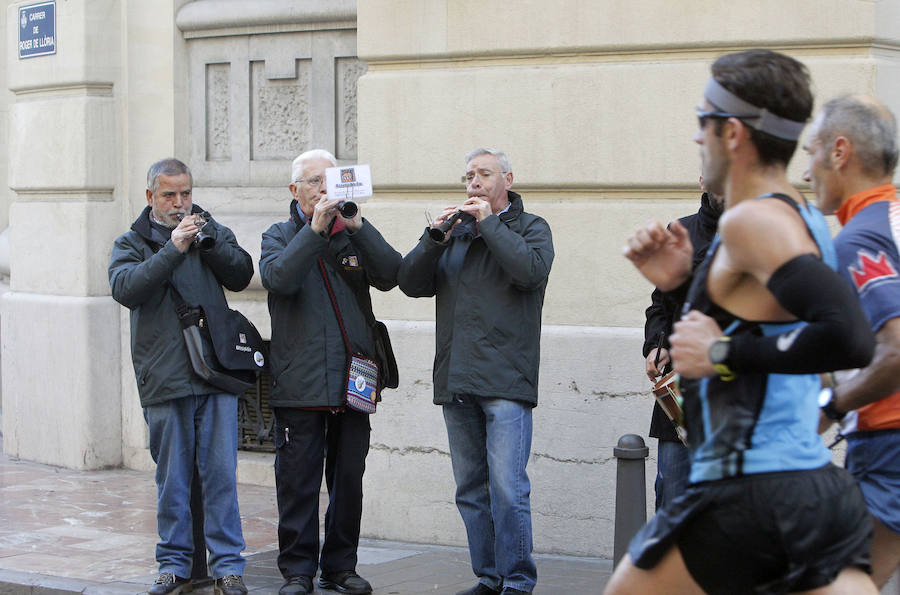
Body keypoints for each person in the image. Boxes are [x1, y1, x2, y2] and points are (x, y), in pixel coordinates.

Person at [609, 49, 879, 594]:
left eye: (701, 121)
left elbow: (849, 337)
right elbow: (763, 323)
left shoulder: (754, 221)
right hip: (811, 489)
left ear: (732, 133)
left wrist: (721, 356)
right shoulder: (799, 213)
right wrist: (684, 283)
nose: (696, 138)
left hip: (750, 492)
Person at [398, 148, 554, 595]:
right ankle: (489, 577)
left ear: (508, 178)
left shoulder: (531, 228)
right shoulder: (454, 234)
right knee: (470, 489)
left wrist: (488, 223)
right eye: (469, 175)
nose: (474, 183)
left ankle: (518, 581)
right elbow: (410, 283)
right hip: (457, 379)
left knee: (508, 490)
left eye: (484, 174)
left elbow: (528, 272)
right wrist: (433, 238)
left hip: (506, 380)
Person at [259, 149, 401, 595]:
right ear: (295, 190)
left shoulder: (351, 235)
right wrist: (316, 232)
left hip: (352, 380)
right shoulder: (279, 235)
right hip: (300, 382)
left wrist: (359, 228)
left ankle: (339, 566)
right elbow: (279, 278)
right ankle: (298, 571)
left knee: (348, 482)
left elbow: (393, 274)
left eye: (332, 181)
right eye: (315, 181)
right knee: (298, 483)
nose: (325, 189)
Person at [108, 158, 252, 595]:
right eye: (169, 195)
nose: (180, 203)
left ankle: (228, 568)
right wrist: (172, 249)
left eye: (185, 193)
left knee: (221, 476)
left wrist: (209, 244)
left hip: (215, 375)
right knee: (172, 481)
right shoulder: (131, 242)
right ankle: (173, 565)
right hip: (166, 378)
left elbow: (242, 274)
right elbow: (125, 288)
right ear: (151, 197)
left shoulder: (210, 228)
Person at [802, 94, 900, 588]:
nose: (806, 171)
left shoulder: (858, 239)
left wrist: (831, 406)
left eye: (811, 151)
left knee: (834, 583)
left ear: (840, 152)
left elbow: (896, 352)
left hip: (889, 446)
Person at [642, 178, 722, 510]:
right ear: (703, 179)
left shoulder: (760, 233)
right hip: (681, 392)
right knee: (672, 495)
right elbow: (659, 305)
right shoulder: (679, 232)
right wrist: (656, 344)